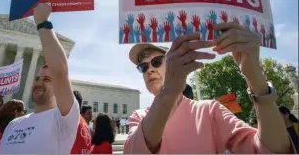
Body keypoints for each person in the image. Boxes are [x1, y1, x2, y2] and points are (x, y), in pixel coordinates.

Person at [124, 24, 293, 154]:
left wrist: (254, 76)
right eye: (143, 67)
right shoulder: (139, 117)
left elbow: (268, 150)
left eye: (156, 62)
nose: (149, 70)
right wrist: (168, 93)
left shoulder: (208, 110)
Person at [0, 3, 80, 154]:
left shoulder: (63, 120)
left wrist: (43, 22)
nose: (39, 82)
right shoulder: (13, 124)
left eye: (48, 79)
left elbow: (60, 73)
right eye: (38, 78)